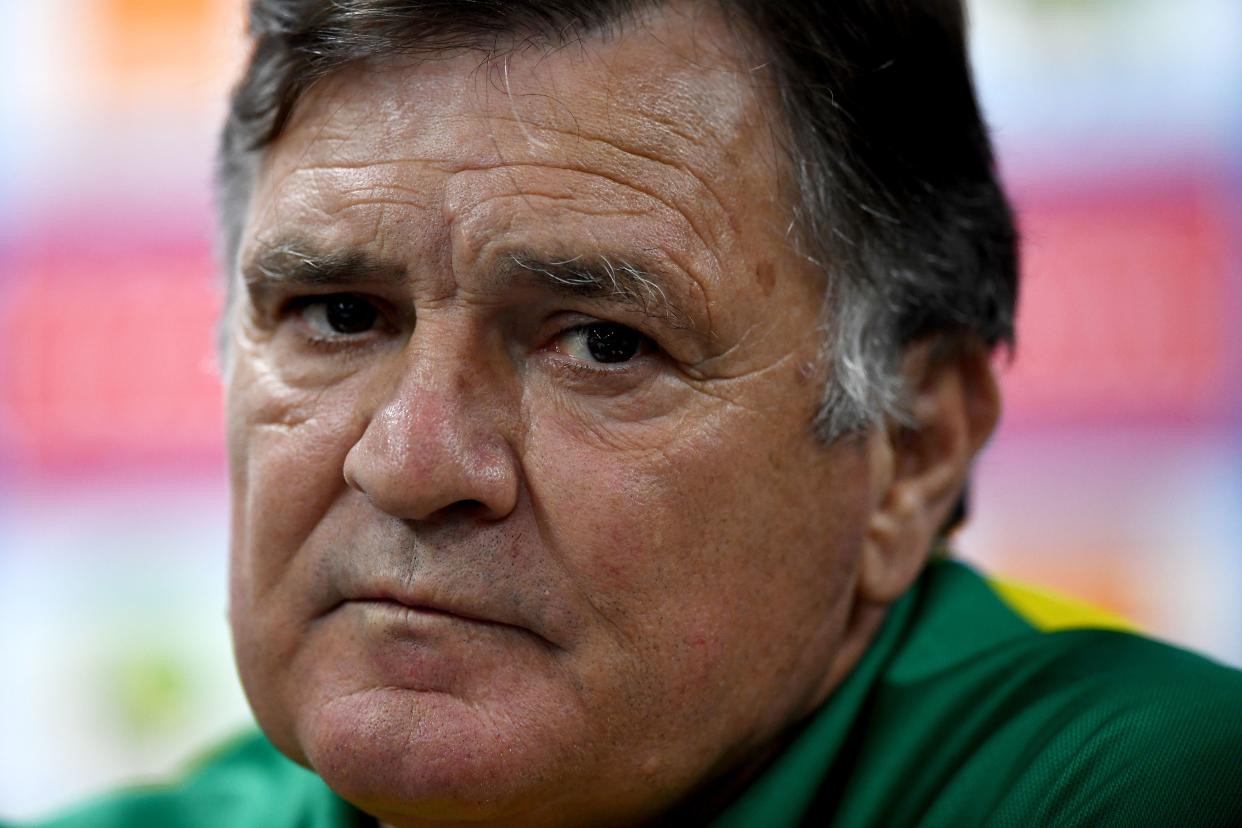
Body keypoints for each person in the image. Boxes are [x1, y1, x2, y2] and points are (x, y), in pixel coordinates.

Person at [22, 1, 1242, 826]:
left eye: (604, 343)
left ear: (909, 451)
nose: (410, 460)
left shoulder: (1147, 789)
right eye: (339, 315)